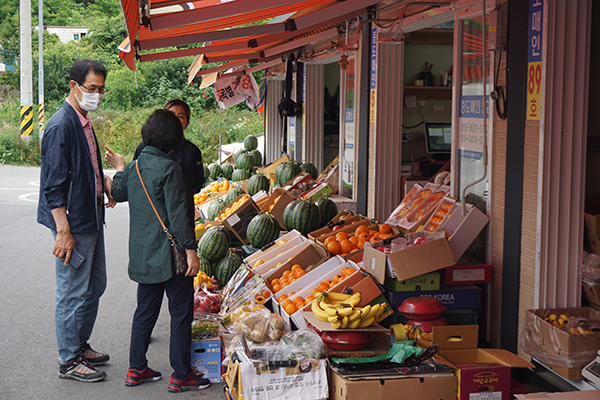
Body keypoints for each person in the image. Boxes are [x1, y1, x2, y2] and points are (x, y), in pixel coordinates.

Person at [107, 109, 209, 392]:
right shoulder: (170, 169)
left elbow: (117, 194)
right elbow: (178, 216)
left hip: (144, 254)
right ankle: (181, 374)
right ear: (173, 140)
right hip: (171, 255)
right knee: (180, 313)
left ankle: (136, 368)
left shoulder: (136, 166)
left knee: (145, 311)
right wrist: (191, 251)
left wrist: (119, 167)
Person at [37, 59, 115, 382]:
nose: (96, 95)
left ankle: (79, 344)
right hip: (74, 223)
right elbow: (52, 187)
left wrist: (105, 184)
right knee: (71, 292)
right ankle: (68, 360)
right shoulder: (60, 126)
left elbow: (86, 168)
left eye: (100, 90)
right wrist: (62, 231)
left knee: (95, 285)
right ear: (74, 87)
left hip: (92, 215)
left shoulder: (83, 120)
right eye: (91, 88)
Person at [133, 99, 204, 229]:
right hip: (151, 214)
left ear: (187, 124)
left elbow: (197, 182)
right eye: (171, 114)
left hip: (182, 213)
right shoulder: (144, 147)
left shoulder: (192, 151)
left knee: (181, 244)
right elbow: (135, 178)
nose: (175, 119)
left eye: (181, 116)